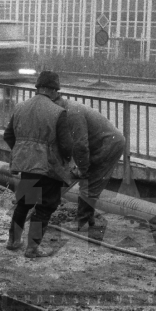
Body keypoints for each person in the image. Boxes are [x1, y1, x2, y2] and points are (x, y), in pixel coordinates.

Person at [3, 70, 73, 258]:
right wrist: (65, 160)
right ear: (52, 90)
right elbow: (66, 146)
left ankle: (13, 241)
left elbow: (8, 135)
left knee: (24, 204)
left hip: (27, 166)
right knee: (44, 207)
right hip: (48, 169)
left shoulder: (20, 107)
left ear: (38, 88)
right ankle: (32, 248)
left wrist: (22, 150)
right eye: (57, 91)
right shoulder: (59, 112)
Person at [55, 97, 125, 230]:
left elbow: (80, 144)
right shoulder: (64, 110)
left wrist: (82, 168)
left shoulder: (72, 113)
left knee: (90, 181)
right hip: (96, 144)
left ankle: (82, 222)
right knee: (85, 178)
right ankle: (88, 218)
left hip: (108, 145)